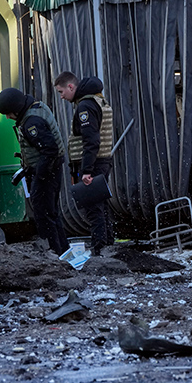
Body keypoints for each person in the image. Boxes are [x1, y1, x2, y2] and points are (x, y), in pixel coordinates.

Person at [0, 87, 69, 255]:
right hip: (50, 169)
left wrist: (39, 177)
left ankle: (54, 253)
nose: (7, 117)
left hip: (47, 172)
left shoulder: (31, 123)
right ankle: (63, 251)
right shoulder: (36, 108)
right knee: (51, 212)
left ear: (16, 109)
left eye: (8, 113)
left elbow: (50, 150)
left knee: (44, 214)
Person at [53, 71, 114, 255]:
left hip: (93, 163)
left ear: (71, 87)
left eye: (61, 91)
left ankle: (99, 249)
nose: (62, 96)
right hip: (101, 160)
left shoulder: (86, 106)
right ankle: (108, 244)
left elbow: (91, 140)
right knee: (101, 205)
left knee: (93, 208)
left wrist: (86, 170)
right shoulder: (97, 100)